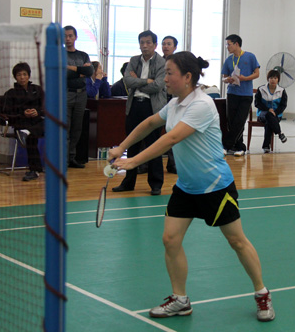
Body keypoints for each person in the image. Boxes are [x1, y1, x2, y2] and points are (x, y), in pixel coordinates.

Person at [109, 51, 275, 322]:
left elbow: (171, 138)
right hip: (186, 187)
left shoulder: (201, 105)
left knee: (237, 241)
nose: (165, 78)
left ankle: (262, 293)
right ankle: (180, 299)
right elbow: (150, 123)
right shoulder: (175, 104)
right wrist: (122, 147)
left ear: (187, 77)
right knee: (170, 239)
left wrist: (132, 161)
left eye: (169, 73)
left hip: (215, 186)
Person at [112, 30, 166, 195]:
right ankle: (128, 182)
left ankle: (156, 184)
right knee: (132, 145)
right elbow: (127, 81)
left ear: (155, 45)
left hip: (152, 107)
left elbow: (157, 85)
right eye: (142, 42)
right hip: (134, 105)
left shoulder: (162, 62)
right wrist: (145, 81)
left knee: (154, 146)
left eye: (148, 42)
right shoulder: (134, 60)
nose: (145, 46)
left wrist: (138, 83)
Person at [2, 62, 45, 182]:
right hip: (21, 123)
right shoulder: (10, 93)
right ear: (15, 77)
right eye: (19, 75)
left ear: (29, 76)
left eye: (25, 74)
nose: (22, 77)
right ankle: (34, 169)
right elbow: (8, 112)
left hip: (37, 122)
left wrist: (38, 112)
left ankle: (27, 132)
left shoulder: (37, 89)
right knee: (31, 137)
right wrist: (23, 113)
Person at [221, 34, 260, 156]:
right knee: (232, 122)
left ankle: (226, 145)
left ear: (236, 44)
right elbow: (224, 77)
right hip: (232, 93)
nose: (227, 47)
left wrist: (245, 78)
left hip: (246, 94)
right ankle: (240, 147)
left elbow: (257, 73)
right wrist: (228, 79)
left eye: (228, 44)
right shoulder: (229, 60)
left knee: (240, 120)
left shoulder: (250, 56)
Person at [64, 25, 94, 169]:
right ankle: (63, 159)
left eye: (70, 36)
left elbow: (90, 71)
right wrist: (80, 71)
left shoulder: (83, 55)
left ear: (75, 37)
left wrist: (72, 68)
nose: (68, 38)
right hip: (66, 93)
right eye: (65, 36)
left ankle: (72, 157)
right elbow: (63, 74)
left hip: (81, 94)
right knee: (65, 127)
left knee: (77, 128)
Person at [254, 69, 288, 153]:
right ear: (268, 79)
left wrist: (275, 112)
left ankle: (266, 146)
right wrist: (268, 110)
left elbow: (283, 105)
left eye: (275, 78)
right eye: (271, 78)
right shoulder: (261, 89)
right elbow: (257, 103)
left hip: (276, 115)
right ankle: (280, 133)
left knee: (269, 121)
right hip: (262, 114)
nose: (273, 80)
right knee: (268, 115)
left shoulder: (282, 91)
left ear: (278, 80)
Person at [162, 35, 178, 174]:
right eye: (164, 44)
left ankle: (173, 164)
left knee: (173, 131)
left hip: (174, 100)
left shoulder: (178, 63)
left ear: (175, 47)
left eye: (168, 44)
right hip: (159, 100)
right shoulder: (157, 61)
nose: (165, 46)